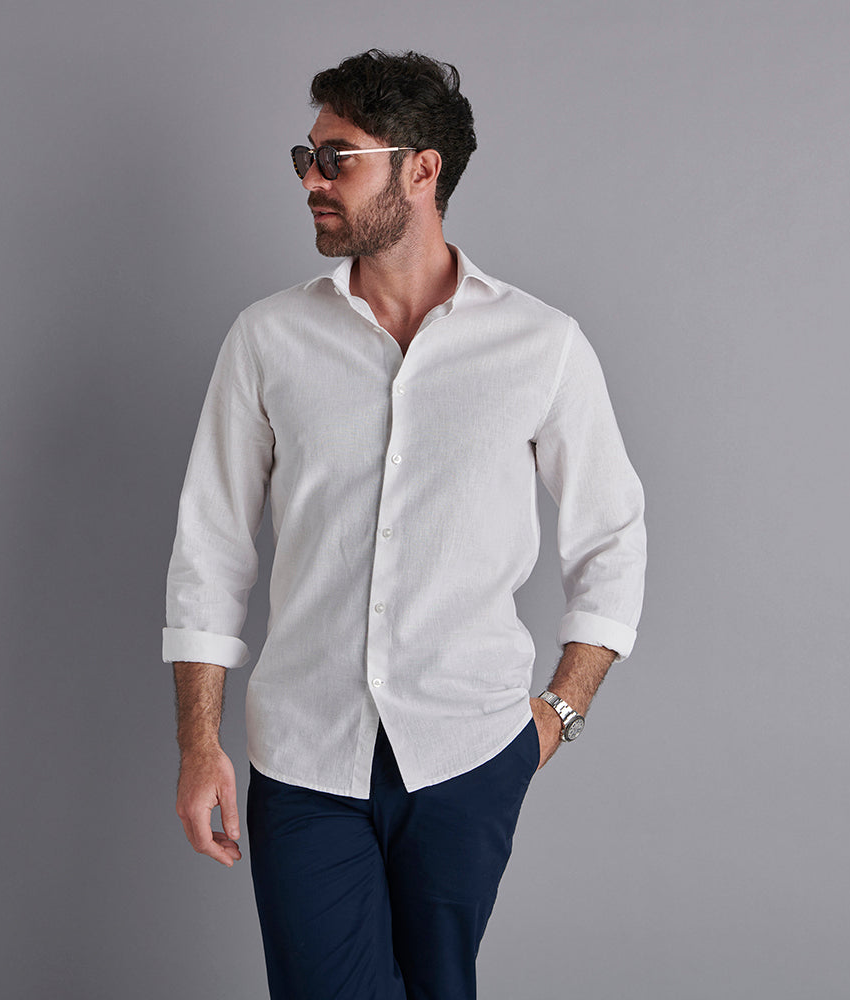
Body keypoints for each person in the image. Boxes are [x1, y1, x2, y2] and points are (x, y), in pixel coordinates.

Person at [163, 49, 645, 1000]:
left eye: (336, 157)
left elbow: (612, 536)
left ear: (422, 169)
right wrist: (198, 743)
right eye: (306, 156)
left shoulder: (542, 345)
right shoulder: (267, 338)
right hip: (303, 758)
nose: (311, 178)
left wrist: (558, 714)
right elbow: (209, 549)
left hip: (470, 753)